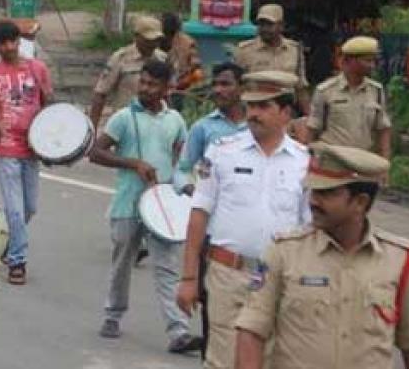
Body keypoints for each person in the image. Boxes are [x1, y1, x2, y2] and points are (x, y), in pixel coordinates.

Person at [234, 143, 409, 369]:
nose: (312, 201)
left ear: (360, 202)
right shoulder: (284, 252)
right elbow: (251, 330)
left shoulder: (399, 260)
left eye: (326, 193)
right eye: (312, 191)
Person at [176, 71, 310, 368]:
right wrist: (188, 279)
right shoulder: (222, 152)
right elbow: (199, 214)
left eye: (264, 107)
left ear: (286, 113)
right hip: (228, 274)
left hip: (280, 281)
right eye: (251, 106)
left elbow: (310, 229)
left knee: (271, 360)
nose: (254, 114)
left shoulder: (304, 162)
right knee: (223, 361)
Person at [88, 59, 201, 353]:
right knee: (122, 262)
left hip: (162, 206)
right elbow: (96, 152)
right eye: (144, 82)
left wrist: (184, 184)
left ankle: (178, 331)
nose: (146, 88)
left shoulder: (174, 120)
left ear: (167, 88)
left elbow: (183, 159)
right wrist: (132, 163)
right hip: (128, 203)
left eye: (153, 84)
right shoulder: (124, 118)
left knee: (166, 268)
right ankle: (112, 315)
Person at [0, 20, 52, 285]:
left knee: (29, 208)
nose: (8, 47)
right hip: (7, 149)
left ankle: (7, 239)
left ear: (20, 41)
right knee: (16, 210)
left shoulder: (38, 69)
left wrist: (48, 141)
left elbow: (48, 107)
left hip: (33, 149)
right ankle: (17, 261)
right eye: (2, 42)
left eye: (13, 41)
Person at [307, 36, 392, 159]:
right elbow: (313, 129)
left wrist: (385, 163)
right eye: (367, 61)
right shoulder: (326, 91)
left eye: (373, 61)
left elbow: (383, 129)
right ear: (348, 61)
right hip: (333, 161)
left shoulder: (376, 91)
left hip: (364, 161)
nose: (372, 66)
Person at [173, 62, 247, 196]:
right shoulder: (202, 128)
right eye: (215, 84)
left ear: (242, 88)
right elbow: (182, 171)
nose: (218, 90)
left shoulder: (257, 126)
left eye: (225, 84)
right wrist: (197, 195)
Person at [89, 15, 167, 129]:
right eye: (148, 40)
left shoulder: (162, 59)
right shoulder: (120, 58)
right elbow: (100, 94)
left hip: (153, 124)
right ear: (136, 37)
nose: (152, 44)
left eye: (156, 40)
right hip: (125, 124)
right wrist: (93, 129)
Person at [234, 4, 309, 114]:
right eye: (261, 24)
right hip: (256, 110)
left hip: (285, 112)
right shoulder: (245, 51)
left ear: (281, 26)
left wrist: (309, 117)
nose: (264, 29)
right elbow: (236, 85)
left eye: (269, 24)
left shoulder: (294, 50)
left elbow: (300, 87)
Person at [161, 13, 202, 110]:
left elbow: (197, 71)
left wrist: (181, 84)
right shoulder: (153, 41)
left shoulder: (187, 44)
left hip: (180, 90)